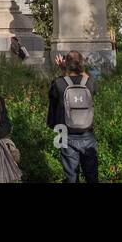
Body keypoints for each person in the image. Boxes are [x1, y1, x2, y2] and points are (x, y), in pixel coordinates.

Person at [47, 50, 97, 182]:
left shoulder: (58, 83)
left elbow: (53, 99)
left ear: (66, 64)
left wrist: (63, 69)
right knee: (92, 176)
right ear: (82, 64)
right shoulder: (90, 82)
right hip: (88, 134)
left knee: (71, 177)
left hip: (65, 134)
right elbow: (85, 79)